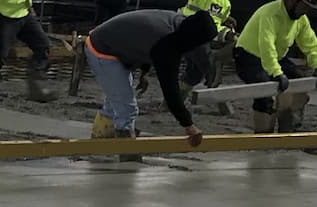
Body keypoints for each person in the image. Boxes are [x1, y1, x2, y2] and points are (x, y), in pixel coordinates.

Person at [83, 9, 217, 143]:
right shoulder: (167, 43)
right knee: (126, 108)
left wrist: (144, 73)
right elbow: (170, 90)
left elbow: (143, 39)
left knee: (115, 103)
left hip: (109, 43)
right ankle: (125, 149)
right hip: (102, 51)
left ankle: (99, 143)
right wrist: (188, 125)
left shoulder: (177, 23)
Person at [234, 0, 317, 134]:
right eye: (305, 6)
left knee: (299, 83)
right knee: (265, 92)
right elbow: (266, 45)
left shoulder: (301, 19)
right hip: (248, 56)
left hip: (274, 57)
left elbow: (310, 42)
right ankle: (263, 135)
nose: (306, 11)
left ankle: (287, 126)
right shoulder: (271, 14)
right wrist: (276, 73)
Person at [179, 0, 250, 94]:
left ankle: (175, 97)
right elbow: (210, 27)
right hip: (195, 35)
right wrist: (228, 35)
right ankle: (177, 97)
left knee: (194, 71)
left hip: (184, 27)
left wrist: (224, 18)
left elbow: (202, 9)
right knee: (200, 70)